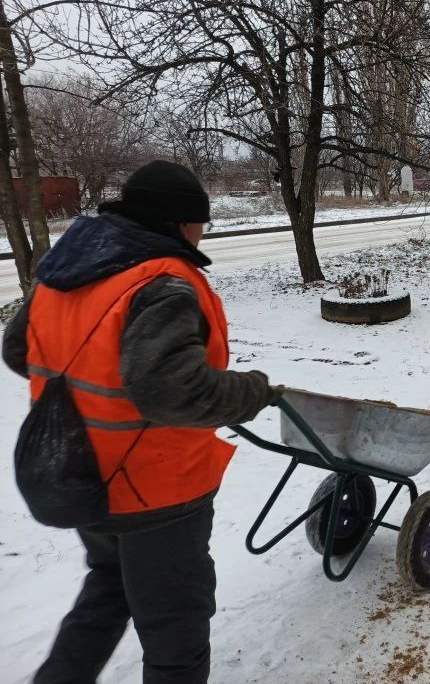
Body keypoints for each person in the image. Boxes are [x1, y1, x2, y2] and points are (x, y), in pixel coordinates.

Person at [2, 160, 281, 684]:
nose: (202, 233)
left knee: (107, 591)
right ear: (180, 223)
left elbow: (19, 350)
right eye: (200, 223)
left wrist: (88, 387)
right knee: (175, 631)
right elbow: (173, 390)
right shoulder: (162, 283)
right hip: (156, 492)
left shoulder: (69, 269)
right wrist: (252, 391)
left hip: (79, 473)